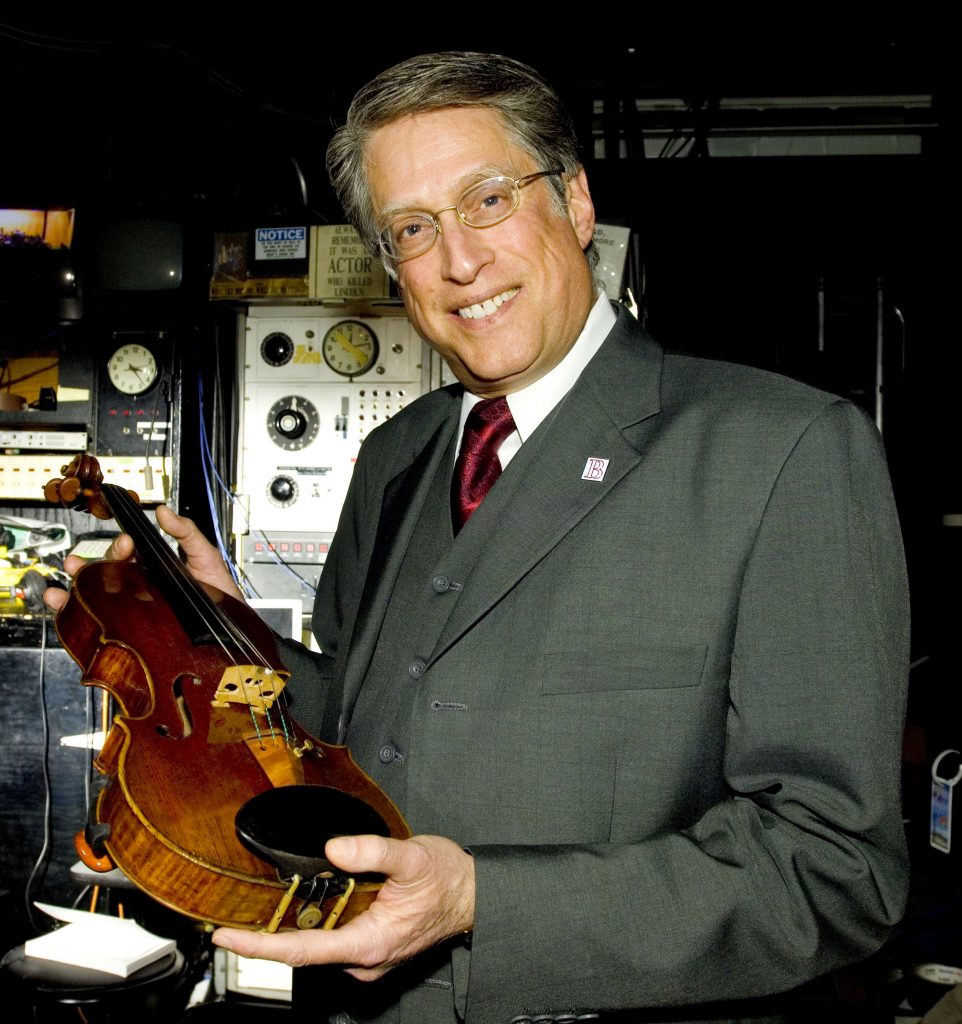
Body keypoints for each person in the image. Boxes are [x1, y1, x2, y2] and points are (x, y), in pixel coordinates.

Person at [50, 52, 910, 1024]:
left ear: (576, 204)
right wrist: (233, 622)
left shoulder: (778, 450)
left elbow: (835, 871)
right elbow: (355, 726)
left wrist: (480, 903)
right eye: (412, 229)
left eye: (488, 200)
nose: (457, 260)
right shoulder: (396, 455)